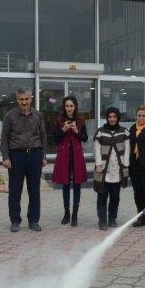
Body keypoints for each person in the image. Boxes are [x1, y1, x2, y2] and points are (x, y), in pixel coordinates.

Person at [1, 88, 47, 232]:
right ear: (17, 99)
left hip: (35, 155)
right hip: (16, 156)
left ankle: (33, 220)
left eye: (26, 99)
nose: (24, 102)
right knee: (15, 190)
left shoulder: (38, 115)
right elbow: (4, 137)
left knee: (34, 190)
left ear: (31, 99)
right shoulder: (10, 116)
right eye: (21, 99)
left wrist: (43, 156)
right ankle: (15, 221)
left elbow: (43, 135)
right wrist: (5, 157)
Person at [52, 96, 88, 227]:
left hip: (77, 156)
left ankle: (75, 214)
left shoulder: (80, 121)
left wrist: (77, 131)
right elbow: (55, 139)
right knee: (65, 185)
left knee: (77, 185)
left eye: (71, 106)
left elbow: (85, 138)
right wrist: (64, 129)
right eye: (67, 106)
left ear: (75, 107)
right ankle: (66, 213)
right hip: (64, 156)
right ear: (64, 107)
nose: (69, 108)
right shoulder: (59, 121)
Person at [94, 107, 130, 230]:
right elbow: (97, 149)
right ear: (107, 117)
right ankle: (102, 220)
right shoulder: (100, 132)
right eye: (110, 116)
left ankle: (112, 218)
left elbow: (127, 150)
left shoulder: (124, 132)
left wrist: (125, 165)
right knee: (102, 196)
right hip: (103, 170)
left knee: (115, 197)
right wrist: (98, 164)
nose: (112, 119)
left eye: (114, 116)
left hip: (118, 171)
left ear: (118, 117)